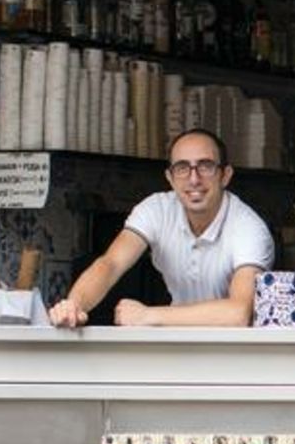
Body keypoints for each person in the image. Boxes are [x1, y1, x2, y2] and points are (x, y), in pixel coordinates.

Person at [49, 127, 272, 328]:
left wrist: (148, 315)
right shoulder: (157, 210)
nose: (194, 179)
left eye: (206, 166)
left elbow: (238, 313)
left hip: (237, 351)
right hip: (178, 343)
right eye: (182, 168)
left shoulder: (248, 228)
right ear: (170, 178)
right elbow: (111, 264)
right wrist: (74, 305)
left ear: (225, 176)